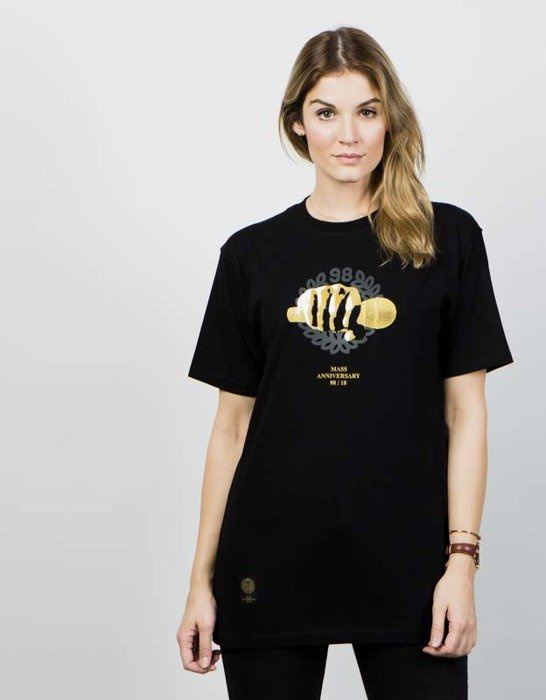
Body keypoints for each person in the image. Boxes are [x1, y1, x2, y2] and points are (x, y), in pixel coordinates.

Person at [176, 26, 514, 700]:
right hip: (269, 554)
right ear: (298, 124)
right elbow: (231, 430)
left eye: (367, 111)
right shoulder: (251, 256)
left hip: (409, 562)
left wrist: (462, 562)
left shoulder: (447, 239)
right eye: (327, 113)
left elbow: (466, 413)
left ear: (390, 119)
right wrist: (200, 582)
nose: (349, 135)